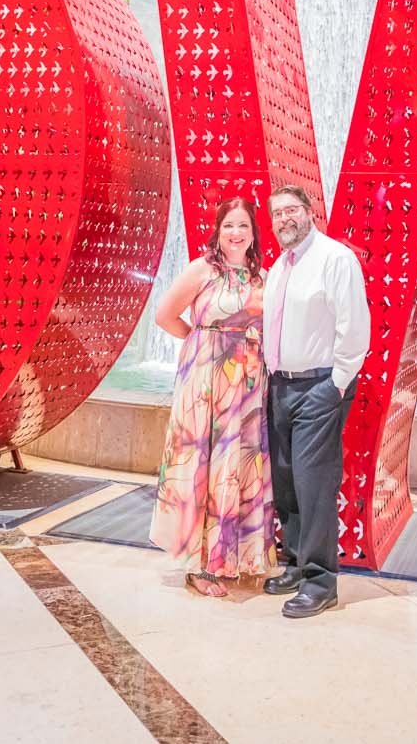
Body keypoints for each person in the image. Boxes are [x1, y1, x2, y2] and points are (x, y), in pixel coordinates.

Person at [149, 197, 278, 599]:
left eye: (243, 226)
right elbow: (164, 315)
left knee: (239, 465)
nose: (236, 233)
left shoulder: (264, 277)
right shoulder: (202, 269)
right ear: (217, 231)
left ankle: (237, 558)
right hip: (206, 384)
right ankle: (202, 565)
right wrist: (202, 344)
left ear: (254, 232)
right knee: (204, 464)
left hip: (249, 385)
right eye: (228, 226)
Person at [261, 183, 369, 619]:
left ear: (309, 212)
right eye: (277, 214)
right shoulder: (279, 267)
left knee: (314, 484)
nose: (284, 219)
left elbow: (354, 325)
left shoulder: (335, 259)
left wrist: (337, 383)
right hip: (281, 386)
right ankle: (295, 563)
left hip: (320, 387)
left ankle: (321, 582)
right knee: (286, 482)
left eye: (291, 210)